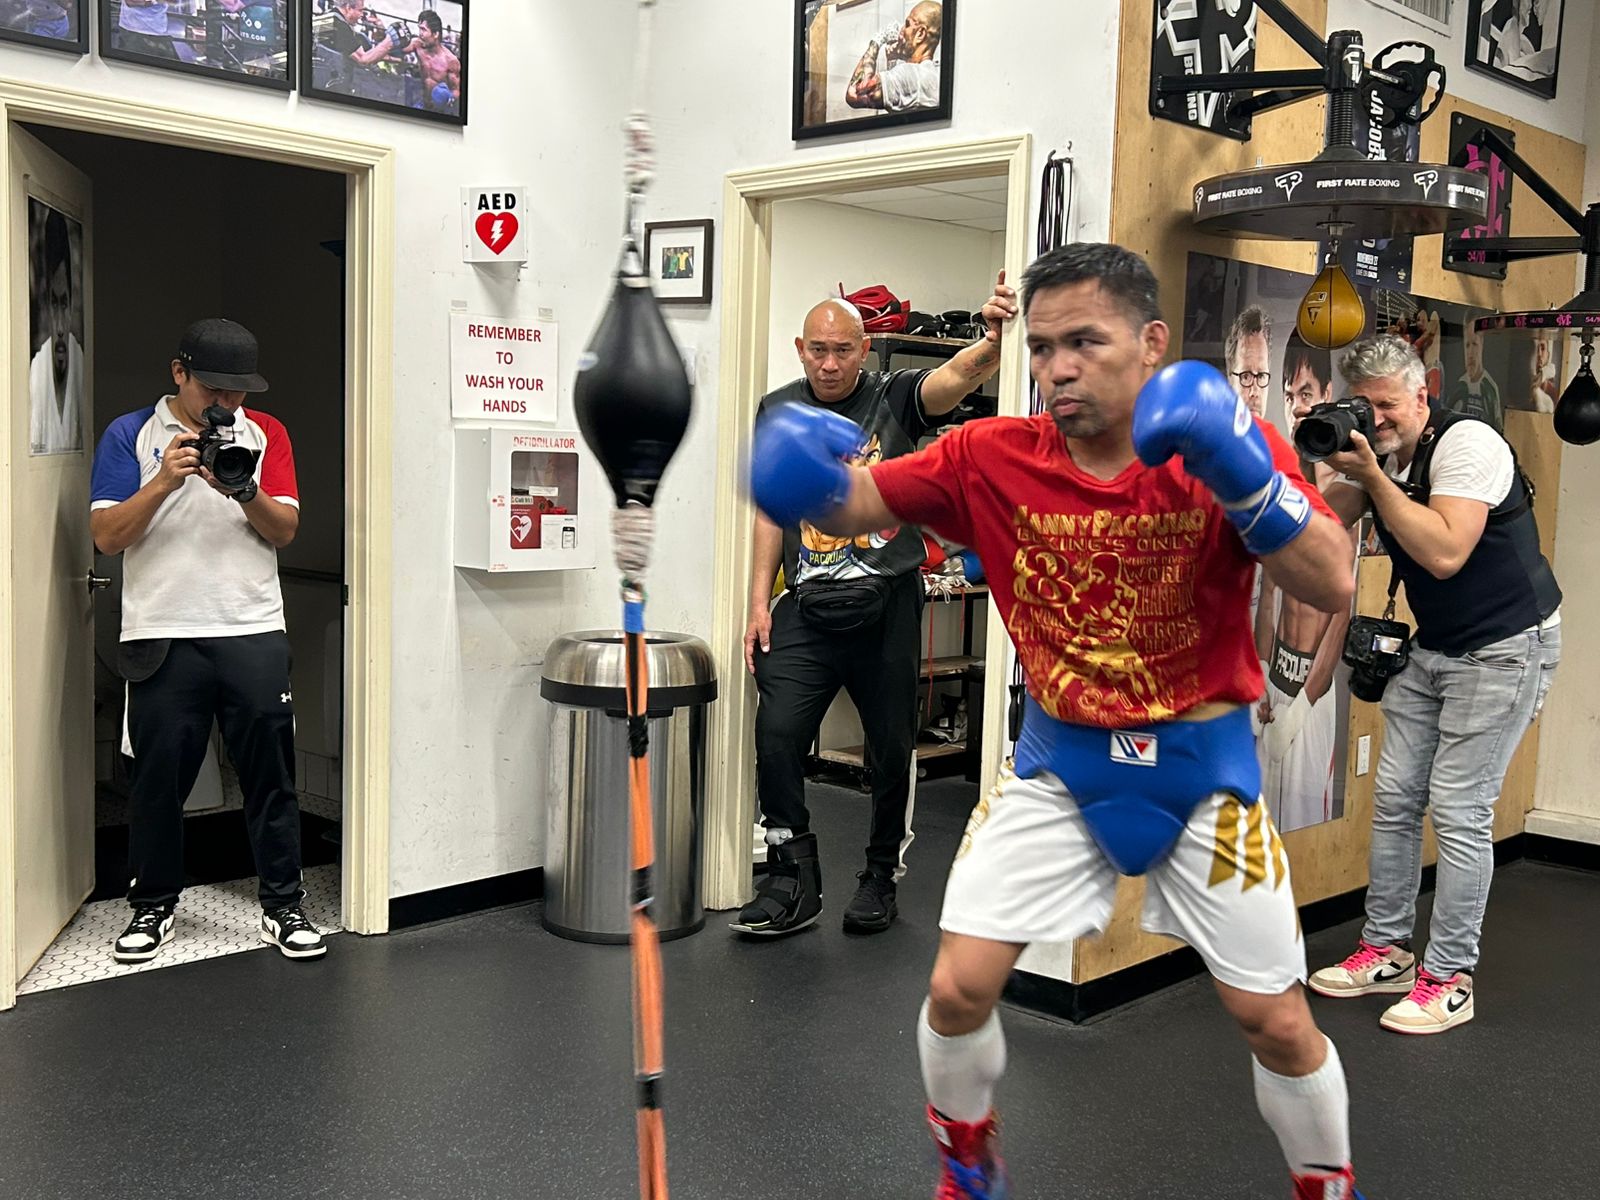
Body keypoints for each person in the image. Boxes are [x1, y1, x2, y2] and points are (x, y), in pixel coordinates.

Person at [751, 244, 1366, 1199]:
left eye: (1085, 341)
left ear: (1151, 343)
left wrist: (1243, 473)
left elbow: (1331, 578)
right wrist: (806, 479)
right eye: (1041, 348)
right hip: (1060, 766)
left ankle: (1327, 1184)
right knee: (956, 988)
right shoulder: (988, 457)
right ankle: (968, 1160)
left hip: (1204, 772)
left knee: (1275, 1020)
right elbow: (864, 499)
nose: (1058, 369)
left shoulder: (1223, 446)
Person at [732, 273, 1015, 938]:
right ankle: (791, 877)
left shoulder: (894, 397)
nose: (830, 363)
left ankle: (881, 876)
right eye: (819, 350)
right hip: (806, 601)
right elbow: (771, 511)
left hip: (887, 598)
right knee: (775, 736)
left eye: (843, 350)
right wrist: (757, 602)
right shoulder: (778, 409)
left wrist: (996, 343)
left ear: (864, 349)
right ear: (801, 349)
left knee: (891, 750)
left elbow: (951, 381)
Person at [1309, 334, 1561, 1034]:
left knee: (1458, 810)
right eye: (1365, 406)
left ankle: (1449, 977)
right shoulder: (1379, 452)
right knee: (1393, 799)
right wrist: (1315, 471)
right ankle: (1386, 949)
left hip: (1507, 647)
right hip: (1438, 646)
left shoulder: (1467, 443)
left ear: (1424, 394)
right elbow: (1324, 526)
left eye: (1388, 405)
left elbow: (1446, 552)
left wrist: (1373, 474)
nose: (1377, 419)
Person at [90, 319, 326, 964]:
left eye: (237, 393)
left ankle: (284, 906)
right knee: (156, 783)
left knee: (270, 778)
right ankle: (153, 908)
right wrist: (165, 480)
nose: (226, 405)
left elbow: (283, 532)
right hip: (163, 634)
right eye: (213, 390)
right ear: (178, 373)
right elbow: (107, 537)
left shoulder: (266, 433)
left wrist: (243, 488)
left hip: (251, 630)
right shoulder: (129, 434)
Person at [1254, 335, 1351, 832]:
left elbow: (1340, 614)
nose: (1298, 406)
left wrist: (1303, 706)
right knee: (1262, 824)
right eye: (1291, 395)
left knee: (1302, 822)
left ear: (1328, 393)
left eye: (1308, 392)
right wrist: (1259, 677)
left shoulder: (1342, 494)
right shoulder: (1282, 483)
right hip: (1275, 680)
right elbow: (1268, 592)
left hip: (1311, 692)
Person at [29, 206, 84, 456]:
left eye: (65, 303)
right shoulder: (37, 369)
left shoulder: (80, 359)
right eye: (54, 302)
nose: (60, 325)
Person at [845, 1, 942, 113]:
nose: (902, 29)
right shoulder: (936, 73)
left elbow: (854, 93)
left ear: (920, 33)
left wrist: (877, 41)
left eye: (907, 24)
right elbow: (898, 99)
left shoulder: (909, 75)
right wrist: (893, 58)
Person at [1444, 318, 1503, 429]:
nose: (1470, 353)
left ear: (1482, 344)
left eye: (1475, 344)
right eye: (1467, 345)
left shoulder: (1490, 388)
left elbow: (1498, 430)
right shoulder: (1457, 386)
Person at [1225, 304, 1273, 420]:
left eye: (1261, 376)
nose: (1254, 392)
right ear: (1230, 381)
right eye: (1246, 376)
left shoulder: (1273, 438)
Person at [1530, 331, 1558, 413]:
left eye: (1542, 348)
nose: (1539, 354)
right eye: (1535, 349)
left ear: (1548, 354)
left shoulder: (1552, 391)